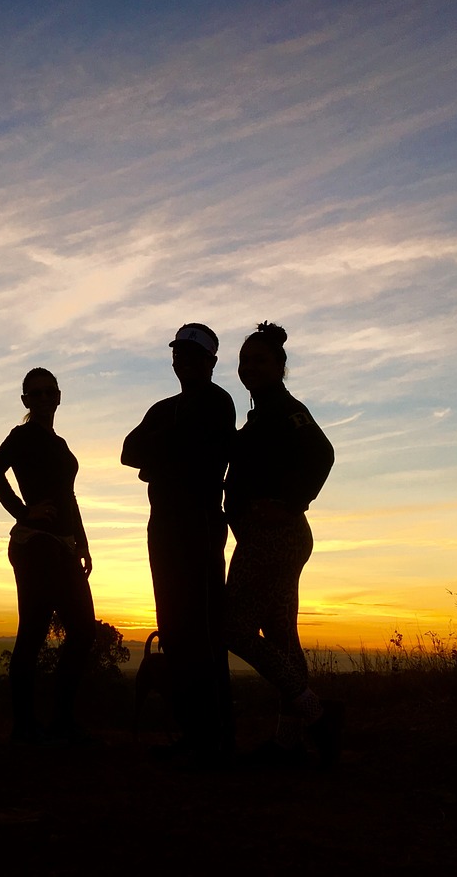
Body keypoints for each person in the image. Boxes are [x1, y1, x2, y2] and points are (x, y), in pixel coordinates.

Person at [223, 321, 340, 767]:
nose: (249, 367)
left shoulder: (286, 409)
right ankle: (289, 744)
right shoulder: (259, 415)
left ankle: (314, 715)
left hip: (277, 536)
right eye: (244, 360)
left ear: (280, 367)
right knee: (281, 636)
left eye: (259, 360)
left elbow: (322, 453)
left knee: (234, 629)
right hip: (263, 536)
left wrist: (291, 503)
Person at [121, 323, 236, 766]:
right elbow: (129, 450)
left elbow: (202, 452)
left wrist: (160, 459)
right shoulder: (165, 407)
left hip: (201, 526)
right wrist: (169, 456)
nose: (182, 360)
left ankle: (216, 740)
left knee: (204, 631)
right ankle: (194, 736)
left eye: (192, 353)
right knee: (172, 629)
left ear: (209, 361)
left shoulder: (217, 401)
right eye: (178, 353)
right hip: (164, 529)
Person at [0, 368, 96, 745]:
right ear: (25, 401)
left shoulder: (59, 443)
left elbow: (69, 496)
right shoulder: (23, 435)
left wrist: (82, 541)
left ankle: (59, 721)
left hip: (62, 545)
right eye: (37, 394)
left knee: (82, 630)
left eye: (50, 392)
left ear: (59, 396)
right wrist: (22, 511)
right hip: (35, 545)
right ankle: (26, 727)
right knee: (34, 632)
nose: (45, 399)